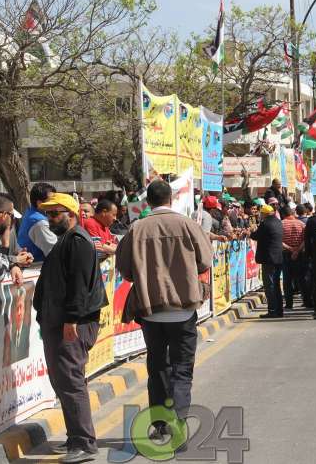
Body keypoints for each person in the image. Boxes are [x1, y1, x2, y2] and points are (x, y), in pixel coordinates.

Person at [117, 180, 212, 443]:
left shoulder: (136, 229)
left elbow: (124, 270)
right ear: (171, 198)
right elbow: (205, 260)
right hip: (183, 311)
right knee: (182, 369)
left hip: (150, 310)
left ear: (148, 201)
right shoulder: (188, 225)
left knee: (157, 367)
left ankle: (159, 423)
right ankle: (178, 420)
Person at [31, 193, 106, 462]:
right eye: (48, 214)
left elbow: (78, 286)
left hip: (72, 324)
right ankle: (76, 437)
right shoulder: (67, 241)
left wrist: (71, 320)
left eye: (56, 213)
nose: (51, 218)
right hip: (60, 321)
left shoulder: (77, 242)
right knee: (64, 381)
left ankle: (83, 443)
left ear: (71, 214)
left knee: (71, 382)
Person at [250, 204, 284, 318]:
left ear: (264, 214)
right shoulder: (278, 222)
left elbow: (256, 236)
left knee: (269, 285)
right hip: (278, 257)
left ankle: (272, 310)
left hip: (269, 259)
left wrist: (251, 232)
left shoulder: (265, 223)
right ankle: (279, 310)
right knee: (276, 285)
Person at [18, 182, 58, 262]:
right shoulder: (39, 222)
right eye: (51, 200)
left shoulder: (30, 212)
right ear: (40, 203)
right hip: (37, 267)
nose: (55, 202)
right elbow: (54, 252)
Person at [280, 205, 304, 310]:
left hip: (286, 254)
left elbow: (279, 241)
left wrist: (290, 249)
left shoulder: (281, 224)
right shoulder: (302, 224)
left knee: (287, 280)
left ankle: (289, 303)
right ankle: (306, 300)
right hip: (299, 254)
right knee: (301, 278)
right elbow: (305, 240)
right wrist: (297, 250)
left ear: (283, 214)